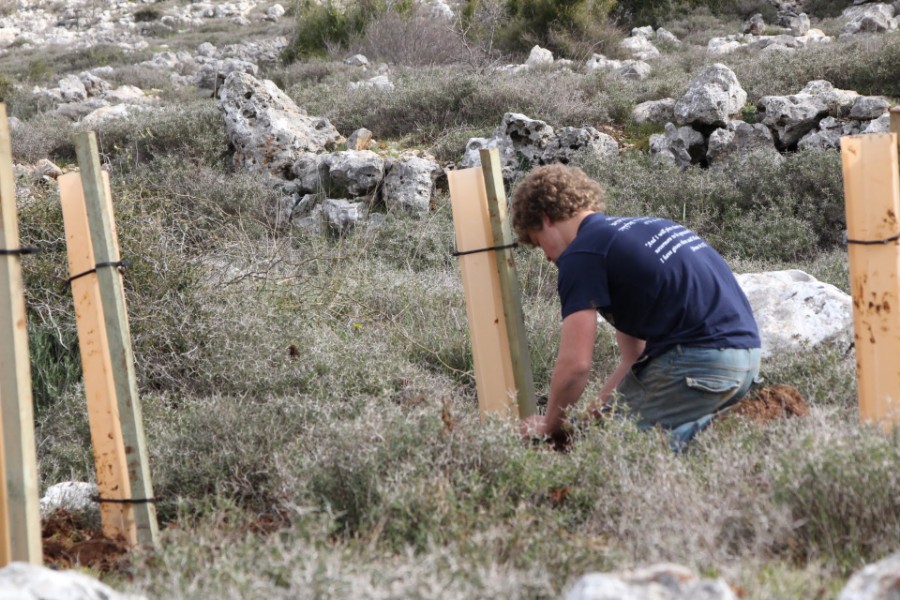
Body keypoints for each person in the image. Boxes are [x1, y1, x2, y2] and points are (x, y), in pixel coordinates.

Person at [510, 164, 761, 450]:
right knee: (601, 429)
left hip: (698, 365)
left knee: (609, 448)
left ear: (546, 219)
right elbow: (635, 356)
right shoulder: (644, 229)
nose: (546, 257)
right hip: (746, 362)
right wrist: (589, 416)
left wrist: (549, 425)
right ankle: (734, 429)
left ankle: (731, 433)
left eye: (538, 243)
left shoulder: (581, 254)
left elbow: (575, 366)